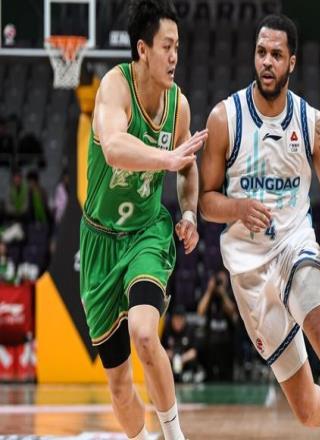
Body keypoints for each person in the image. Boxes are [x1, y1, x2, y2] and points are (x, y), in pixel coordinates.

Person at [199, 14, 320, 440]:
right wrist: (237, 207)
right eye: (261, 52)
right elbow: (206, 201)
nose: (267, 61)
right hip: (248, 270)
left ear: (291, 62)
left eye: (276, 55)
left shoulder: (311, 121)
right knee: (304, 408)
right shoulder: (225, 118)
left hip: (295, 247)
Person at [79, 1, 208, 440]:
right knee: (119, 387)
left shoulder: (179, 106)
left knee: (145, 334)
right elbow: (115, 147)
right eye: (167, 46)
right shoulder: (114, 88)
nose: (174, 56)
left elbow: (187, 167)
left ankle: (174, 436)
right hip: (99, 241)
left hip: (146, 234)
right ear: (142, 50)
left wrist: (188, 212)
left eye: (178, 47)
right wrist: (166, 158)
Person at [197, 270, 238, 381]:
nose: (220, 283)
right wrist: (209, 291)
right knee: (210, 377)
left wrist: (223, 294)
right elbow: (200, 311)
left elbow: (232, 311)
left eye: (222, 280)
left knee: (226, 377)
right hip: (211, 342)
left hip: (227, 343)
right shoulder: (209, 295)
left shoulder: (230, 294)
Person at [161, 304, 200, 383]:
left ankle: (189, 376)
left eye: (180, 319)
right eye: (176, 319)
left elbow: (194, 351)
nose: (178, 322)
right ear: (172, 319)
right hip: (170, 362)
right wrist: (172, 356)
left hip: (185, 361)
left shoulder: (190, 329)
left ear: (184, 319)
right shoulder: (167, 329)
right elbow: (161, 349)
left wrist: (182, 359)